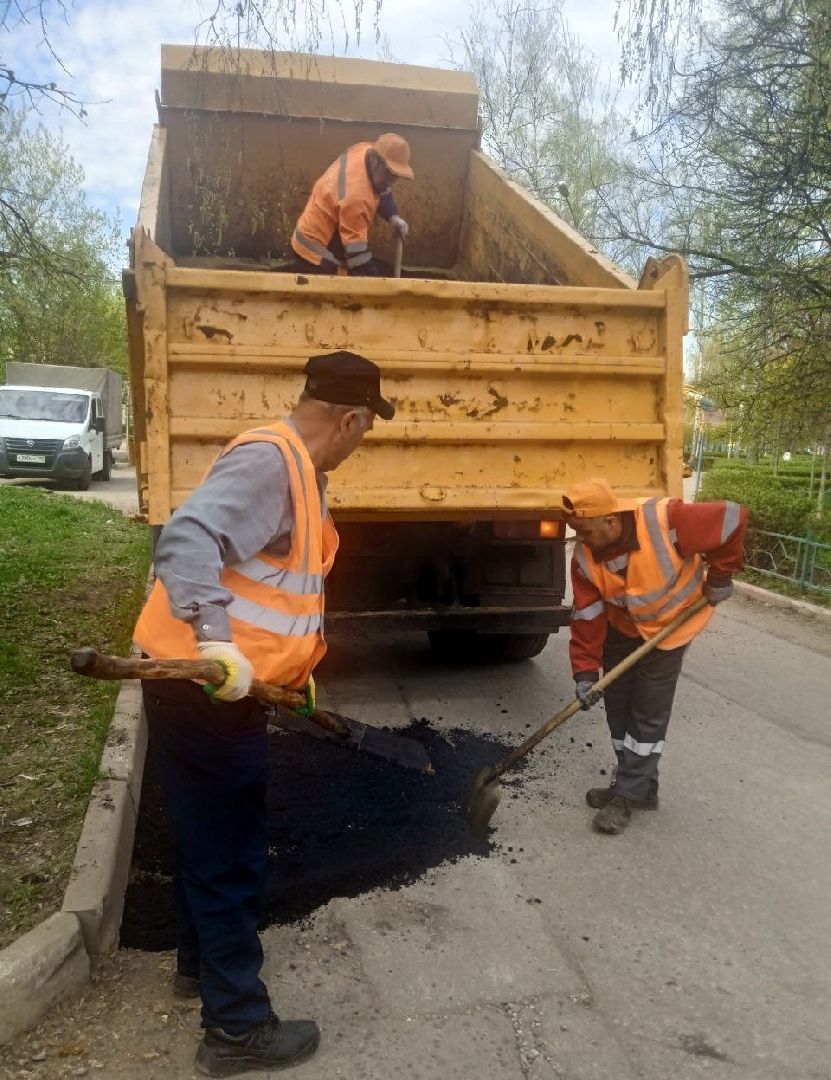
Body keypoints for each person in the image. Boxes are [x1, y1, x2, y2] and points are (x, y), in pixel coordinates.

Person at [133, 351, 395, 1076]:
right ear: (347, 418)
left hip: (224, 687)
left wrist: (295, 671)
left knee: (207, 833)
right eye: (365, 429)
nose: (360, 443)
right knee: (231, 849)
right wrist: (216, 643)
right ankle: (237, 1031)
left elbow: (278, 594)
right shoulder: (271, 464)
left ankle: (199, 968)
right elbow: (185, 542)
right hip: (202, 684)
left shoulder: (300, 474)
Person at [562, 477, 748, 835]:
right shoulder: (585, 559)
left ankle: (629, 794)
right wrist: (585, 674)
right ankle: (640, 784)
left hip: (670, 631)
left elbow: (733, 517)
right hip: (622, 630)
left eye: (585, 532)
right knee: (617, 705)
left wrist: (722, 575)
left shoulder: (666, 521)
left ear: (611, 521)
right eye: (576, 533)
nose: (581, 542)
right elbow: (586, 616)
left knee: (647, 713)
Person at [290, 132, 413, 276]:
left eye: (395, 177)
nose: (390, 182)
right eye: (389, 174)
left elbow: (382, 189)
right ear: (375, 160)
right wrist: (377, 286)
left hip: (326, 235)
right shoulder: (355, 198)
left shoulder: (365, 151)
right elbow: (357, 257)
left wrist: (393, 217)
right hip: (314, 254)